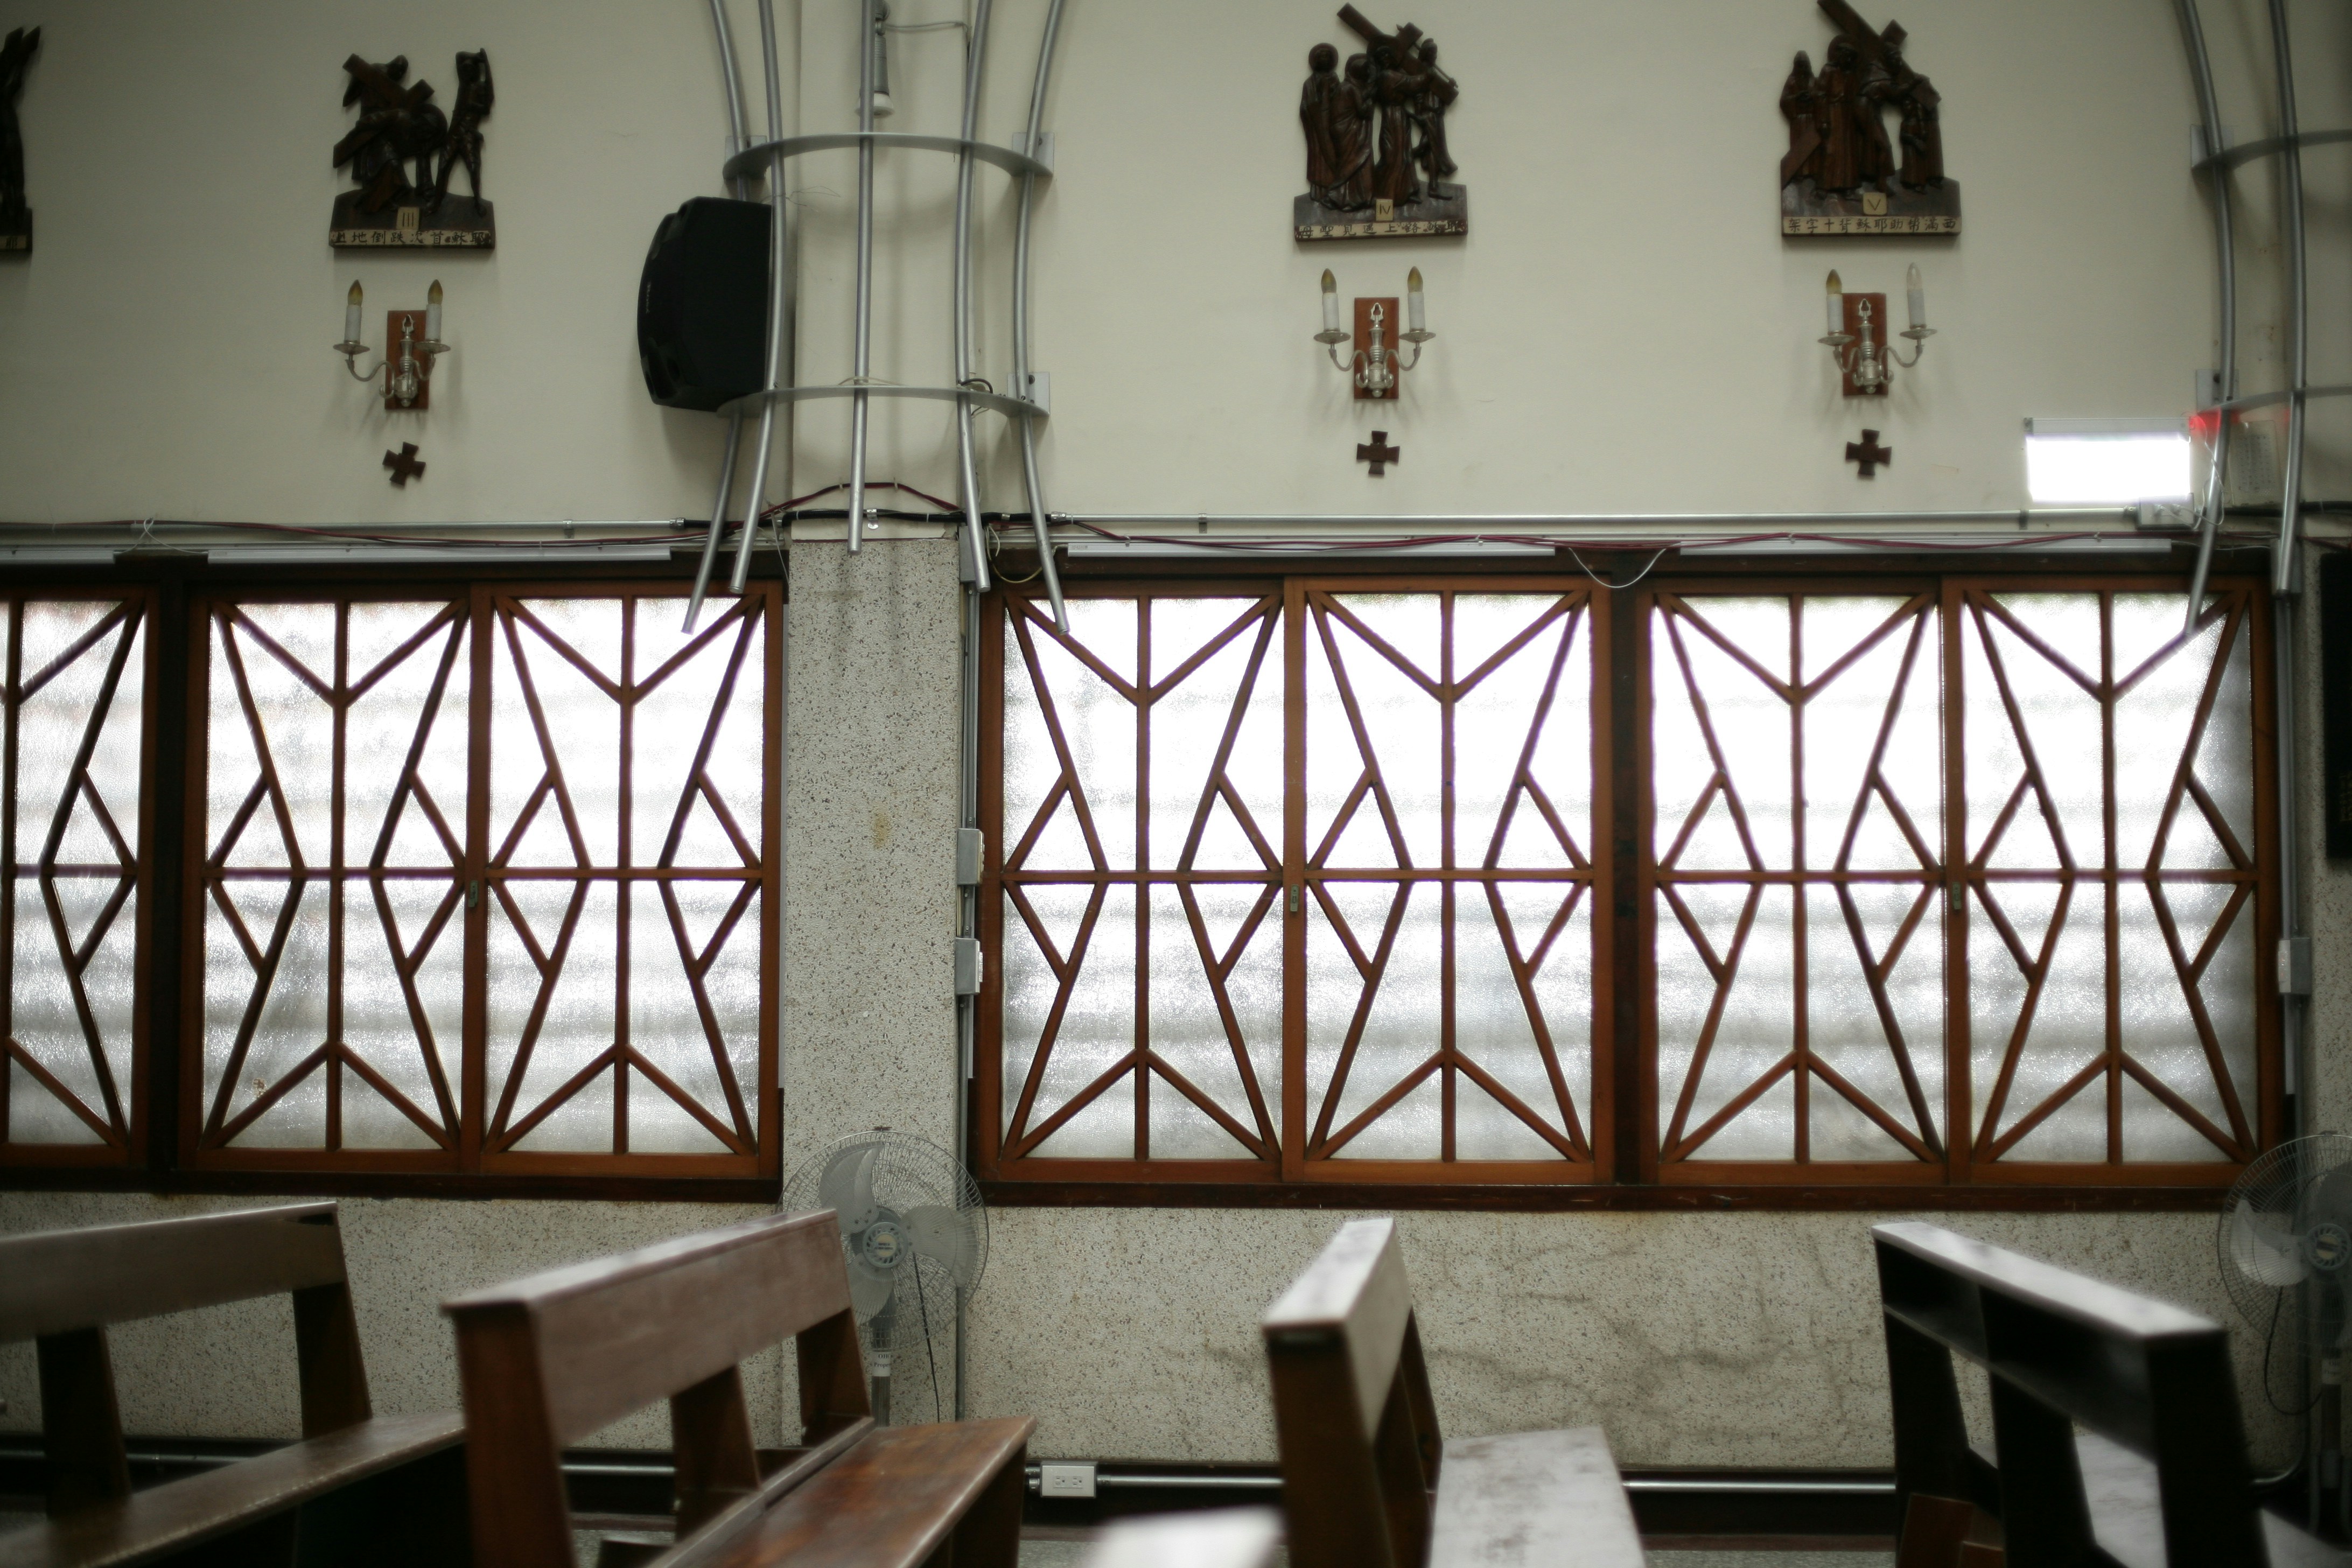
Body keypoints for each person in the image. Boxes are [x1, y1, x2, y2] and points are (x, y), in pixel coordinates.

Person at [432, 51, 493, 212]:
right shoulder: (463, 85)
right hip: (454, 133)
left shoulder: (480, 87)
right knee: (443, 168)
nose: (465, 73)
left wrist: (486, 64)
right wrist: (476, 57)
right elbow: (458, 56)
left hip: (469, 133)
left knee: (473, 168)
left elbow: (487, 108)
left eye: (469, 70)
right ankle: (436, 202)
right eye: (464, 70)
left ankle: (477, 202)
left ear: (476, 72)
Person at [1410, 38, 1458, 192]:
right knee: (1432, 146)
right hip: (1428, 114)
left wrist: (1448, 88)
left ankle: (1433, 184)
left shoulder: (1433, 72)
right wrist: (1420, 111)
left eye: (1436, 53)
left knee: (1432, 148)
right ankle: (1408, 157)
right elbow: (1417, 94)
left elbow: (1440, 96)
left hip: (1437, 116)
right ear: (1425, 54)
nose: (1435, 56)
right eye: (1432, 53)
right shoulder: (1421, 70)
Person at [0, 26, 36, 228]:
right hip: (8, 141)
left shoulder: (4, 100)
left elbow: (15, 85)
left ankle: (16, 48)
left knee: (11, 178)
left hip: (8, 141)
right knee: (10, 178)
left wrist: (24, 56)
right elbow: (15, 85)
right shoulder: (4, 99)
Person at [1779, 52, 1819, 188]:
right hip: (1798, 119)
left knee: (1813, 147)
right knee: (1799, 147)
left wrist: (1812, 96)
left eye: (1804, 65)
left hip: (1811, 118)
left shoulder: (1814, 81)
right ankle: (1800, 172)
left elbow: (1821, 96)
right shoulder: (1792, 82)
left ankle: (1814, 171)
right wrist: (1797, 97)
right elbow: (1784, 101)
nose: (1802, 68)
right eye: (1800, 65)